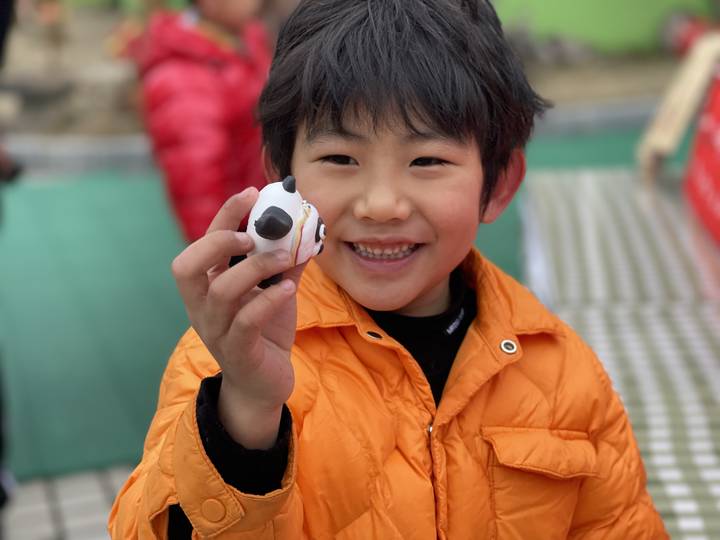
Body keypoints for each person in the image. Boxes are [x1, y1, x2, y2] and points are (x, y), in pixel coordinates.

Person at [110, 0, 668, 538]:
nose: (381, 204)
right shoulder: (223, 361)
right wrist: (247, 412)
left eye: (427, 161)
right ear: (282, 176)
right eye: (340, 159)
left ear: (497, 184)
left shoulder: (563, 374)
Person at [128, 0, 271, 243]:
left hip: (265, 212)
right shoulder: (180, 77)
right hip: (243, 232)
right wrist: (216, 252)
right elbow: (197, 185)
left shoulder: (243, 41)